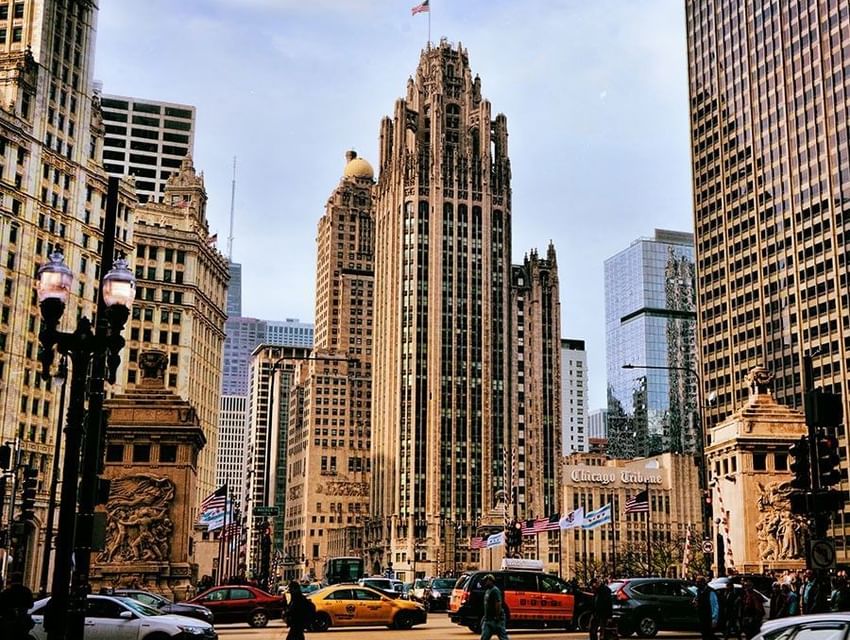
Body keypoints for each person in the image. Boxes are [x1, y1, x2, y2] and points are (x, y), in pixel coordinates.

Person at [480, 574, 508, 640]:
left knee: (503, 637)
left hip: (496, 619)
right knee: (484, 637)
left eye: (486, 581)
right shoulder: (488, 591)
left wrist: (497, 617)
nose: (485, 582)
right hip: (488, 619)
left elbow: (498, 604)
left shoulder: (495, 590)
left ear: (491, 581)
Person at [694, 576, 719, 640]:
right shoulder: (699, 591)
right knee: (704, 634)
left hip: (709, 617)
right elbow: (697, 600)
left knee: (709, 634)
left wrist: (714, 618)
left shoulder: (710, 592)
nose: (696, 584)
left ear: (702, 583)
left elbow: (715, 606)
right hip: (701, 616)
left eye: (698, 582)